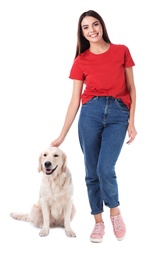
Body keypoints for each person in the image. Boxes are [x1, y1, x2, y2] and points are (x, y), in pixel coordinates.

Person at [51, 10, 137, 243]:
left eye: (95, 24)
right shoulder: (81, 60)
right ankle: (98, 223)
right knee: (91, 171)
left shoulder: (122, 51)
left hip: (118, 114)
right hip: (91, 114)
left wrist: (132, 122)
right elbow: (74, 100)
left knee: (105, 169)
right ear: (82, 33)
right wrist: (61, 135)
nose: (92, 30)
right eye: (86, 27)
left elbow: (132, 88)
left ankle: (115, 213)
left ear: (102, 26)